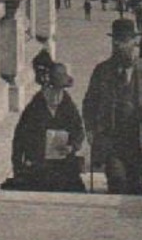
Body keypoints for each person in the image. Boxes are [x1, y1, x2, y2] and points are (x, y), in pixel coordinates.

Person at [83, 17, 142, 195]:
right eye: (117, 41)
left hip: (140, 141)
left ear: (134, 42)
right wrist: (90, 129)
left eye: (125, 41)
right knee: (117, 180)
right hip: (112, 139)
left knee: (136, 187)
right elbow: (89, 102)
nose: (121, 46)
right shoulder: (102, 70)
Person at [7, 62, 87, 193]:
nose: (55, 95)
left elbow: (78, 130)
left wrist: (71, 146)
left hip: (63, 164)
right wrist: (19, 169)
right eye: (52, 89)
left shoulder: (68, 106)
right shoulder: (34, 108)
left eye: (59, 90)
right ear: (45, 89)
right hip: (39, 166)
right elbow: (19, 139)